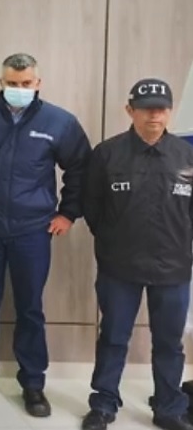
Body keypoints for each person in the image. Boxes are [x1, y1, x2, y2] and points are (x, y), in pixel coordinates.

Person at [0, 53, 91, 417]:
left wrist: (67, 213)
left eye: (26, 84)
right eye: (12, 84)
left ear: (38, 83)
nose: (19, 89)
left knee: (30, 307)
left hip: (33, 231)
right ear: (1, 83)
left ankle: (33, 383)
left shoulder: (58, 121)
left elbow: (81, 168)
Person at [80, 78, 193, 430]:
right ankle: (103, 405)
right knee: (113, 338)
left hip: (174, 268)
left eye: (161, 109)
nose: (154, 115)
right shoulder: (107, 153)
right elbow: (92, 207)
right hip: (120, 267)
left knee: (169, 343)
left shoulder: (187, 155)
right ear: (130, 110)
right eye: (146, 109)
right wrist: (114, 241)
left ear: (170, 112)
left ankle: (169, 408)